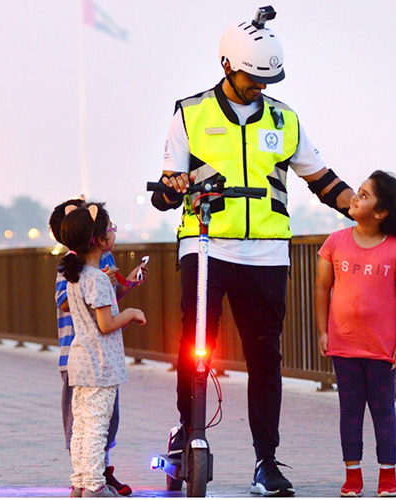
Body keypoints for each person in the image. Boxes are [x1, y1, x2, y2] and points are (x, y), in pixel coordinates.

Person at [150, 5, 354, 497]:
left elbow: (323, 181)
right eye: (250, 79)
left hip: (266, 254)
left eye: (267, 80)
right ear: (226, 66)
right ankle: (189, 431)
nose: (259, 87)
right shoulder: (190, 113)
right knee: (193, 347)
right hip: (205, 248)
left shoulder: (286, 120)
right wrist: (173, 188)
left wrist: (370, 211)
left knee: (266, 357)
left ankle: (267, 461)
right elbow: (163, 192)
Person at [314, 171, 396, 497]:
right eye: (359, 191)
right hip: (344, 345)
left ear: (381, 213)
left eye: (364, 195)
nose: (355, 197)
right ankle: (353, 477)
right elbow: (322, 289)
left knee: (383, 410)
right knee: (350, 410)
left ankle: (387, 475)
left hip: (382, 348)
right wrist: (323, 331)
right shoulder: (334, 243)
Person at [49, 199, 147, 496]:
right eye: (111, 229)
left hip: (80, 361)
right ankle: (94, 487)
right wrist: (131, 314)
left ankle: (80, 483)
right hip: (100, 365)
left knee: (81, 427)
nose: (113, 233)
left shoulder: (75, 277)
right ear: (100, 240)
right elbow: (106, 324)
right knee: (96, 429)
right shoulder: (97, 280)